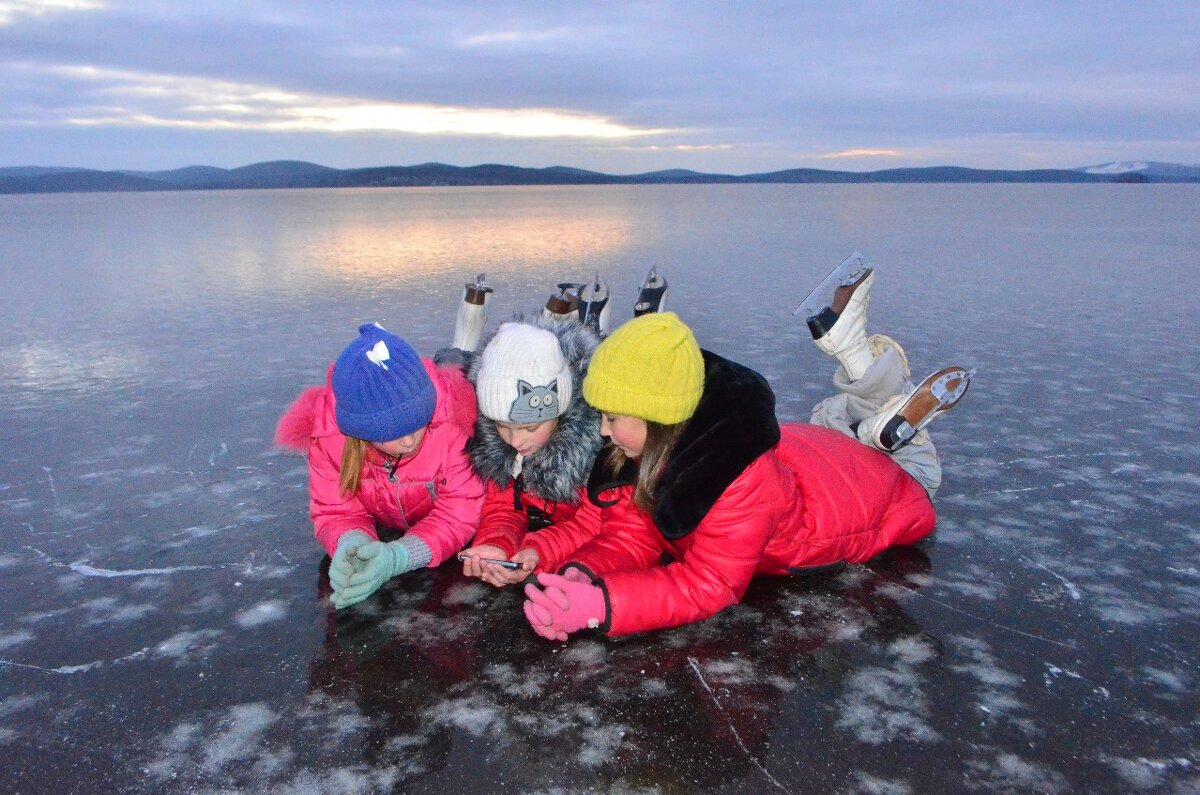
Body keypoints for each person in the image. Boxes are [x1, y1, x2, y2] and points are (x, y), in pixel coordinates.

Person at [520, 267, 972, 640]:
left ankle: (886, 426)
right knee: (837, 415)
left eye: (613, 416)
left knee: (902, 455)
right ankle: (866, 394)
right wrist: (585, 573)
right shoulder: (651, 447)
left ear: (657, 418)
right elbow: (633, 535)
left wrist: (602, 605)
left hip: (890, 494)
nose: (601, 429)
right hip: (820, 456)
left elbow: (709, 584)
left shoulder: (735, 481)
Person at [275, 323, 485, 608]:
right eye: (391, 433)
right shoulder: (328, 441)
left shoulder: (453, 428)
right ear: (359, 430)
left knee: (459, 360)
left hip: (435, 537)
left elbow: (458, 514)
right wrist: (350, 543)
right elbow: (336, 511)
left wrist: (401, 556)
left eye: (417, 422)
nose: (410, 441)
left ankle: (457, 354)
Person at [457, 316, 605, 587]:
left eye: (530, 427)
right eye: (502, 425)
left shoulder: (598, 446)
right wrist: (496, 544)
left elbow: (595, 524)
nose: (515, 440)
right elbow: (503, 507)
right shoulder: (497, 446)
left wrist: (538, 551)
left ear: (560, 412)